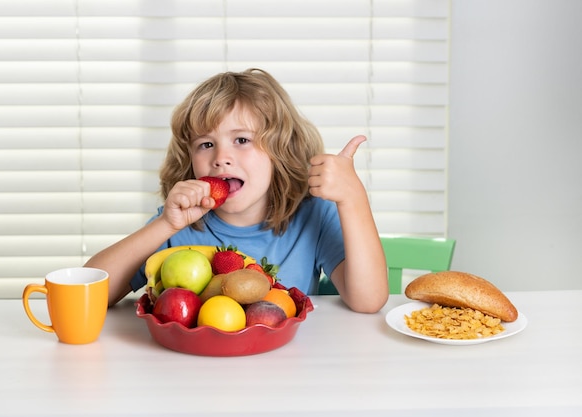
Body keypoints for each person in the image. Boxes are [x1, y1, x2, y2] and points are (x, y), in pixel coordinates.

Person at [85, 68, 388, 313]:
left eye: (241, 140)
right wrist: (166, 225)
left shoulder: (312, 214)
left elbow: (369, 300)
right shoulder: (179, 226)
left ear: (279, 150)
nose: (220, 158)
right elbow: (89, 292)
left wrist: (352, 198)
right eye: (206, 144)